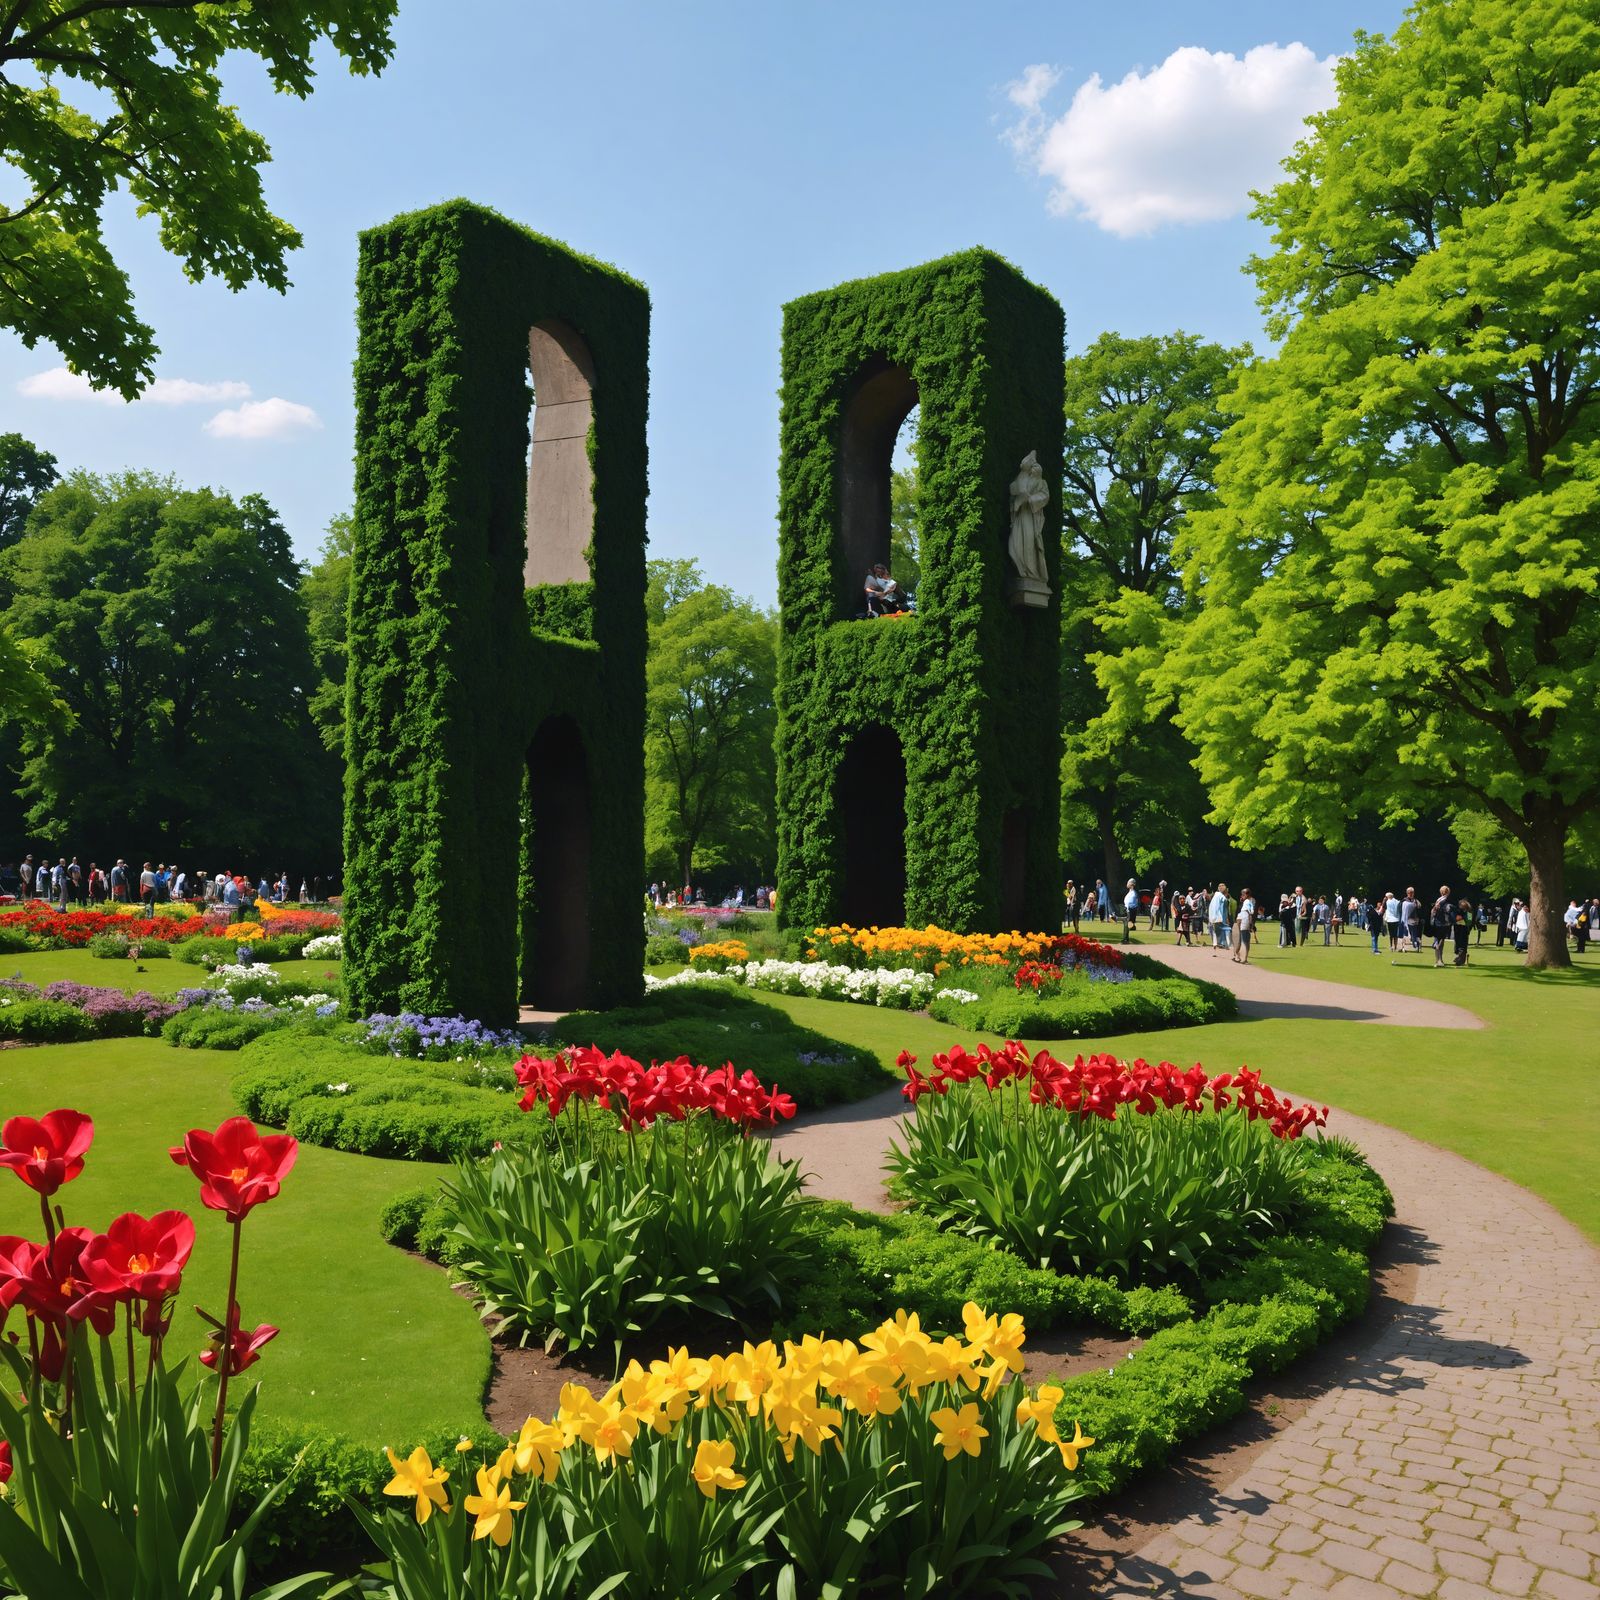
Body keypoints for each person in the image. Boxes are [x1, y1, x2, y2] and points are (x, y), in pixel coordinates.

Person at [1429, 885, 1454, 967]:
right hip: (1443, 923)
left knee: (1437, 940)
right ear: (1448, 892)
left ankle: (1437, 960)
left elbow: (1433, 912)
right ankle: (1440, 960)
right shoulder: (1446, 900)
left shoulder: (1438, 900)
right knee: (1441, 942)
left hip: (1436, 923)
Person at [1232, 888, 1255, 964]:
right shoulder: (1246, 902)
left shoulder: (1249, 901)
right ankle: (1241, 957)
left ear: (1247, 894)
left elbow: (1250, 912)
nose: (1241, 896)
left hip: (1244, 918)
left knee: (1244, 939)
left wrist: (1250, 923)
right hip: (1242, 918)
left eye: (1243, 894)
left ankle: (1242, 958)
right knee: (1243, 940)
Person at [1208, 883, 1230, 955]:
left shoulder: (1215, 896)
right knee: (1226, 929)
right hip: (1219, 918)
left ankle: (1215, 949)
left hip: (1212, 918)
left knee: (1215, 933)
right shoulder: (1221, 897)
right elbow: (1224, 906)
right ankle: (1226, 944)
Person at [1451, 897, 1472, 967]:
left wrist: (1462, 921)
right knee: (1459, 944)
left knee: (1462, 945)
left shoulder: (1468, 912)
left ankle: (1460, 960)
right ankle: (1460, 958)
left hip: (1463, 930)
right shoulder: (1459, 911)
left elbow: (1469, 922)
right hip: (1459, 929)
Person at [1122, 878, 1138, 944]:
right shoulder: (1131, 892)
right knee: (1127, 925)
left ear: (1131, 884)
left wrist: (1127, 908)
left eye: (1128, 883)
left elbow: (1130, 903)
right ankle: (1126, 938)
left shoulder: (1133, 893)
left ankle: (1126, 939)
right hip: (1128, 909)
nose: (1127, 884)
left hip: (1129, 910)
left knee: (1127, 925)